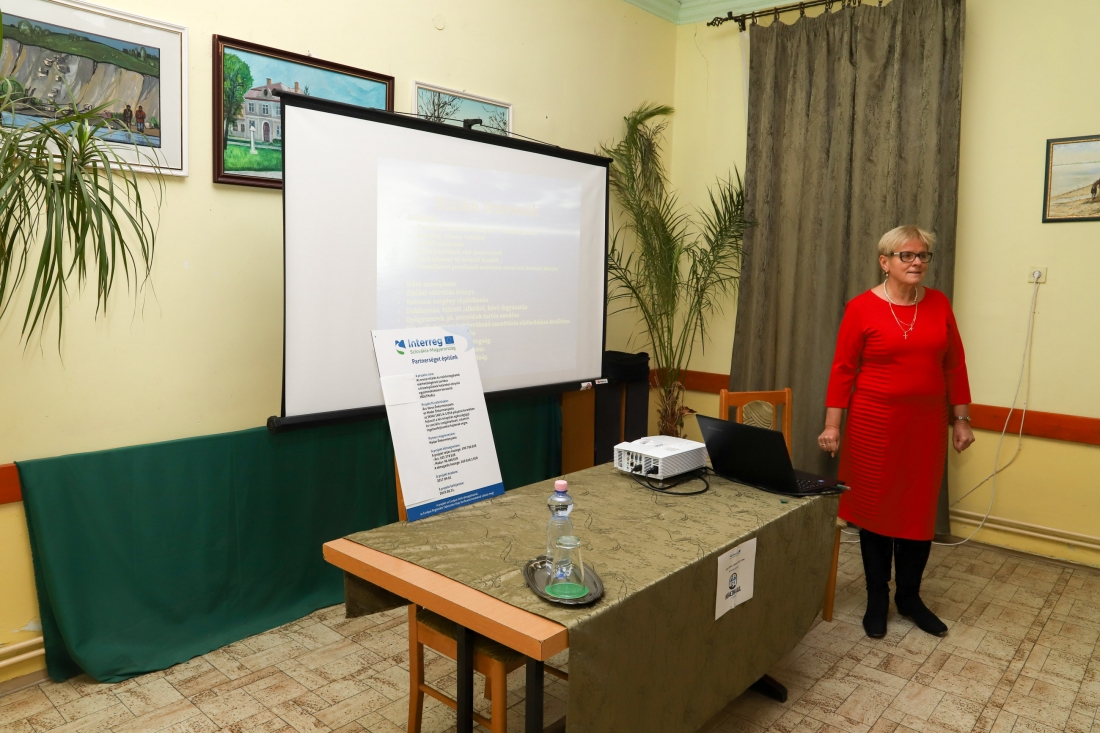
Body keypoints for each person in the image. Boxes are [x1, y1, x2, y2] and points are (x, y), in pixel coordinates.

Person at [818, 225, 975, 639]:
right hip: (873, 426)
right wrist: (832, 425)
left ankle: (909, 597)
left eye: (923, 255)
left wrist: (961, 419)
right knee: (875, 513)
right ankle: (877, 598)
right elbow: (843, 370)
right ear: (884, 262)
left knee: (918, 512)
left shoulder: (939, 303)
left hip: (925, 428)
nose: (917, 262)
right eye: (907, 255)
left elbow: (955, 365)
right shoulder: (861, 308)